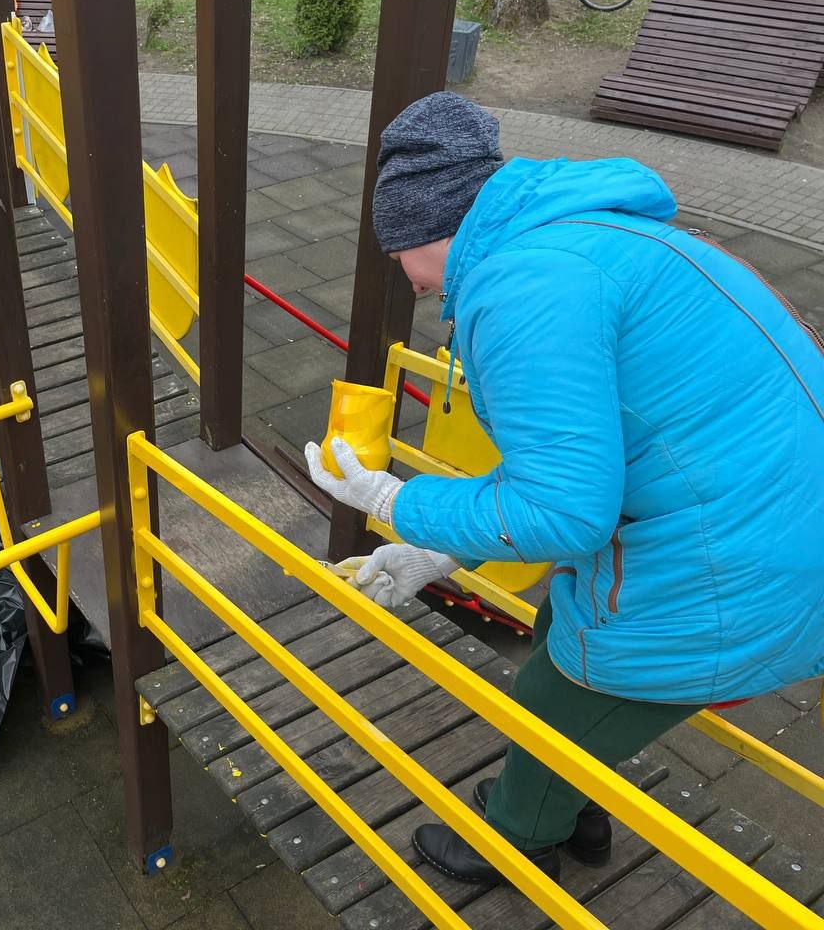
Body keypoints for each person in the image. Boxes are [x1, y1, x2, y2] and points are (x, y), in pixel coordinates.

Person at [306, 91, 824, 885]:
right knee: (563, 624)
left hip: (741, 563)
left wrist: (392, 503)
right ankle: (578, 807)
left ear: (425, 234)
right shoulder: (581, 236)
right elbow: (573, 469)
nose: (405, 279)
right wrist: (439, 554)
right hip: (763, 513)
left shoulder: (522, 292)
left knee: (560, 698)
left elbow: (560, 511)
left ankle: (518, 838)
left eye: (396, 253)